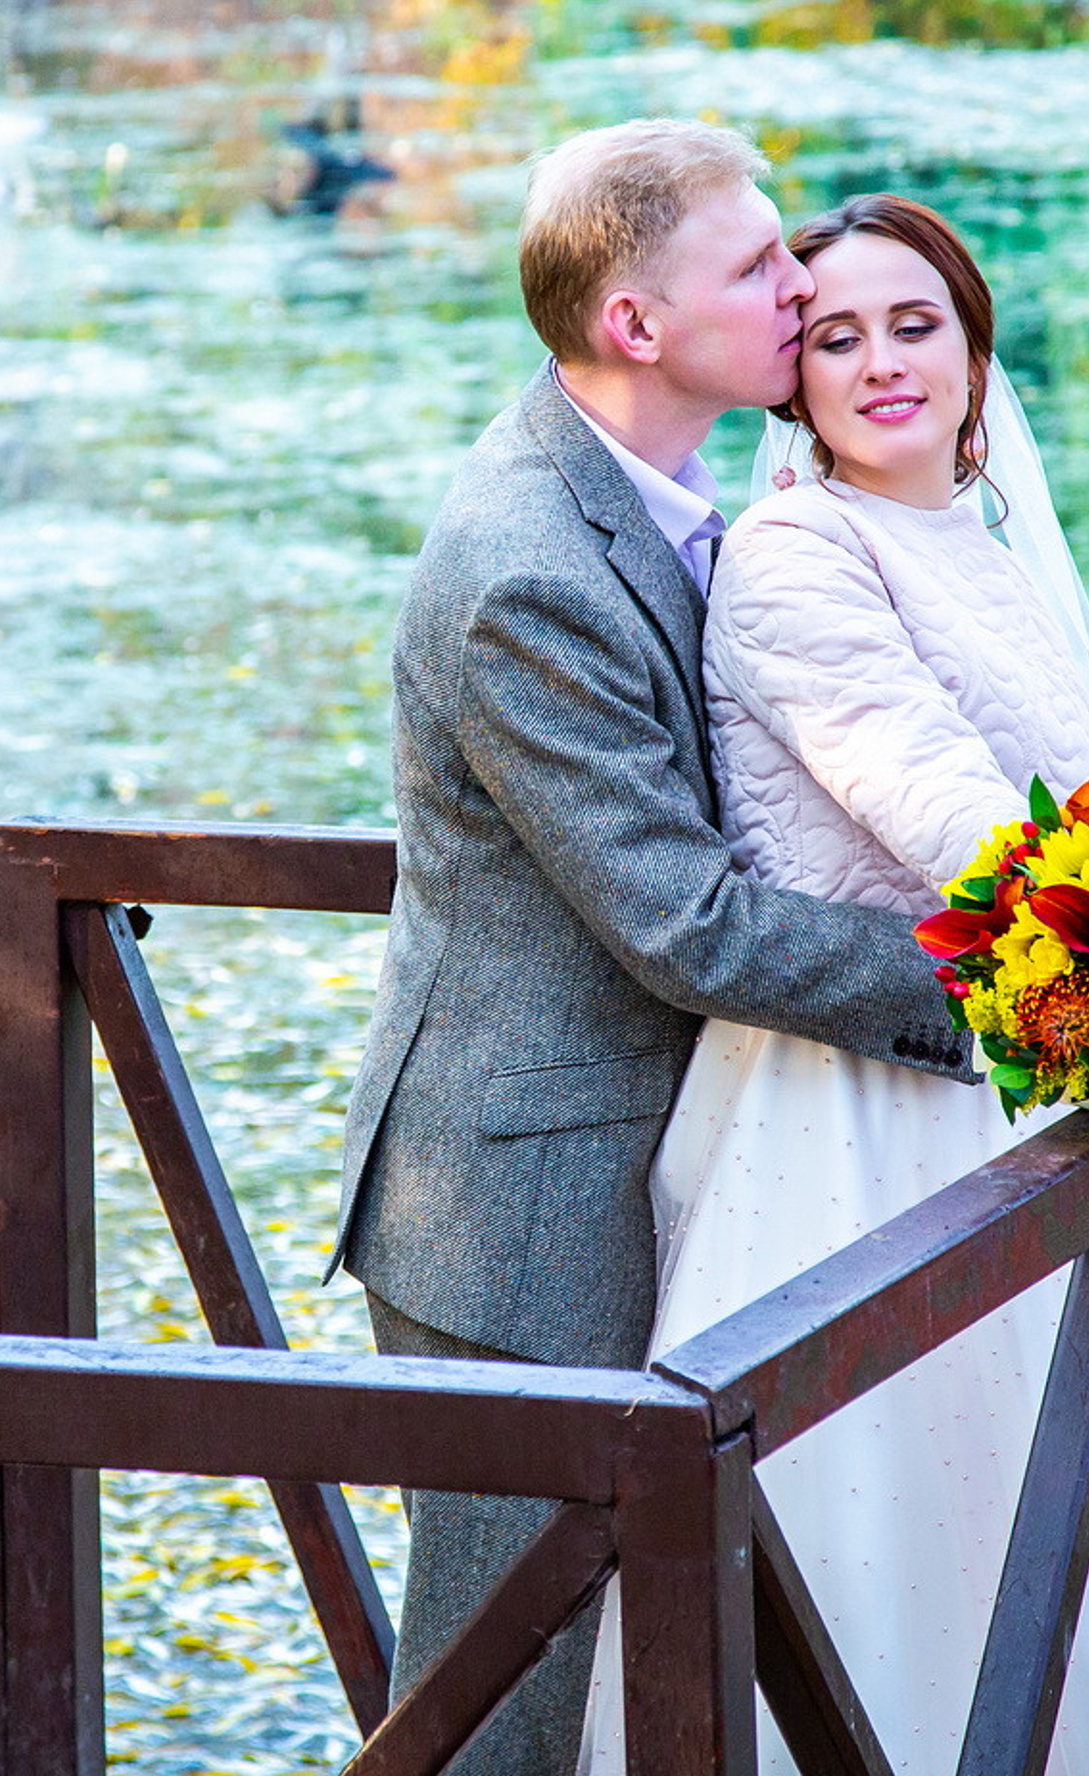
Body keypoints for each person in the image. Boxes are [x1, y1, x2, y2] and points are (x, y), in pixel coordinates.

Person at [576, 192, 1089, 1773]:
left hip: (1007, 1102)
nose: (882, 363)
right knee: (906, 1561)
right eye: (836, 338)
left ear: (979, 356)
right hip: (853, 1125)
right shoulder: (791, 556)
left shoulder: (980, 540)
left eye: (917, 326)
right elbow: (967, 829)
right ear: (794, 383)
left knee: (1066, 1542)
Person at [327, 122, 974, 1775]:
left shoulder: (679, 492)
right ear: (635, 327)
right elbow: (682, 918)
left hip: (669, 1160)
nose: (801, 283)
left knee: (670, 1675)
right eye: (760, 268)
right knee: (507, 1710)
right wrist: (993, 982)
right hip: (521, 1212)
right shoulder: (521, 569)